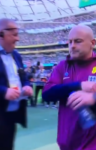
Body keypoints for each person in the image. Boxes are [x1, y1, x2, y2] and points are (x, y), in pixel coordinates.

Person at [0, 18, 33, 150]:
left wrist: (26, 85)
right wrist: (4, 91)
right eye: (14, 34)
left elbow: (23, 77)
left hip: (10, 117)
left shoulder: (17, 55)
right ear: (1, 34)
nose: (17, 39)